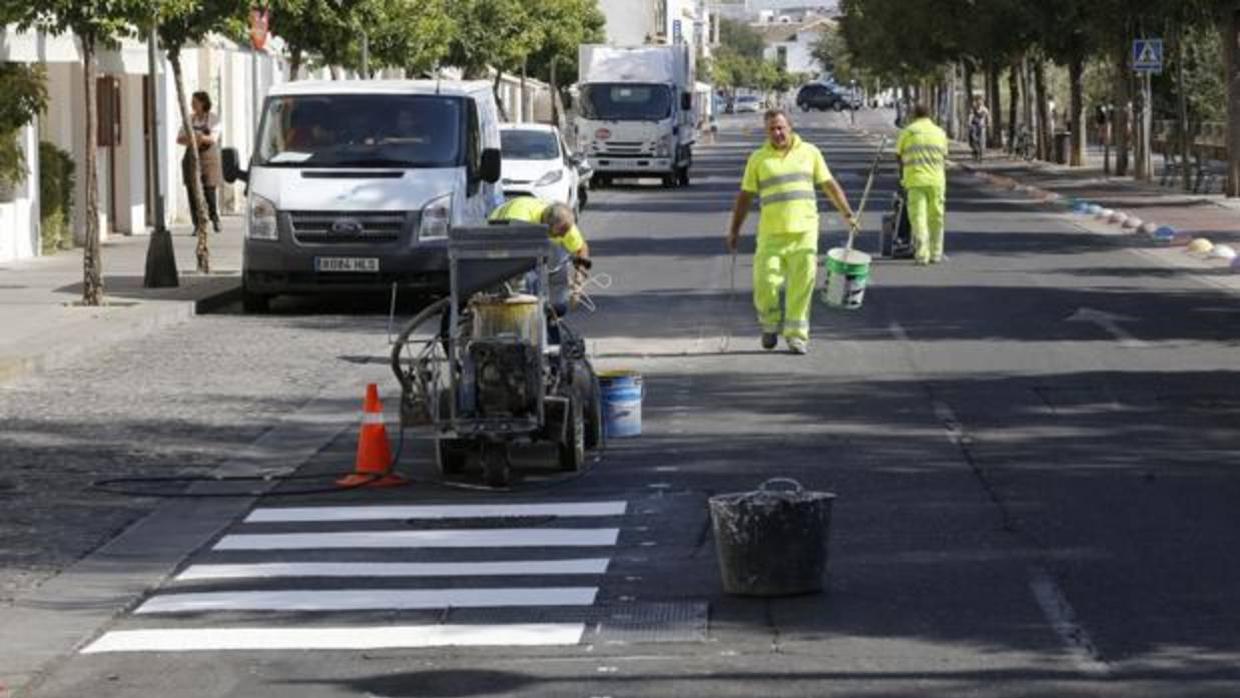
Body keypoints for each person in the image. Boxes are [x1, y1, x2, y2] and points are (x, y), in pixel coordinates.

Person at [725, 109, 856, 355]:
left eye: (781, 127)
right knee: (766, 283)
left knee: (801, 286)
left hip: (804, 233)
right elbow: (745, 196)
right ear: (766, 132)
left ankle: (796, 336)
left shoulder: (810, 153)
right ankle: (769, 326)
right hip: (771, 235)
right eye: (772, 129)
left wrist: (847, 213)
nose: (777, 133)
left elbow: (829, 185)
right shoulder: (758, 159)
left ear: (790, 127)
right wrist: (734, 230)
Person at [895, 103, 949, 266]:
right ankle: (936, 253)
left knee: (918, 218)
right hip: (936, 181)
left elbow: (898, 156)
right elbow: (944, 156)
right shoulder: (939, 132)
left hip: (915, 181)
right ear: (930, 114)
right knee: (936, 218)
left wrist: (902, 177)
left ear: (914, 114)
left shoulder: (908, 132)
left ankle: (922, 254)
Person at [177, 91, 222, 233]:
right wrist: (197, 138)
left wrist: (196, 138)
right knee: (192, 191)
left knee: (209, 190)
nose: (192, 105)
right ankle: (197, 224)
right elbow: (179, 138)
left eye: (195, 102)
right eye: (192, 102)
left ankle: (214, 217)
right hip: (191, 157)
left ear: (203, 103)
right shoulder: (189, 119)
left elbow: (212, 139)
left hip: (208, 158)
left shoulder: (213, 118)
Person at [969, 93, 990, 160]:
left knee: (982, 140)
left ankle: (981, 152)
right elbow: (971, 116)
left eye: (980, 100)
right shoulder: (973, 108)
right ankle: (975, 150)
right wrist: (969, 123)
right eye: (978, 100)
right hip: (974, 125)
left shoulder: (984, 109)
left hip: (982, 126)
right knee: (974, 138)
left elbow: (988, 116)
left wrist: (988, 123)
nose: (979, 101)